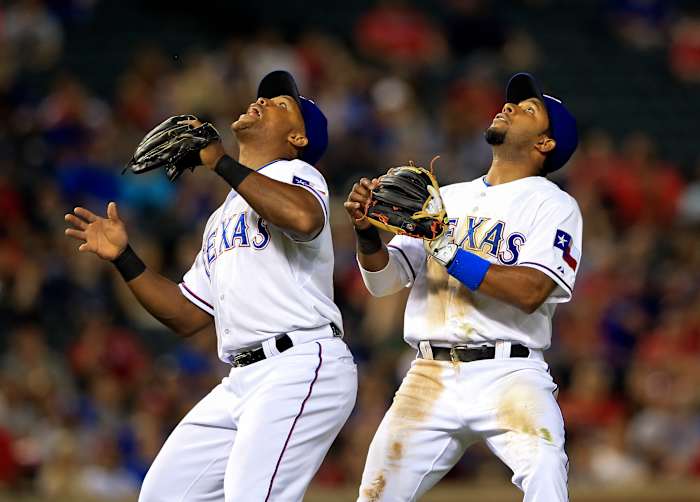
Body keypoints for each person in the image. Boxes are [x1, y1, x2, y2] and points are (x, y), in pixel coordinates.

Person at [65, 70, 357, 502]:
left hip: (300, 363)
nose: (263, 101)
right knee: (163, 495)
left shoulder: (298, 173)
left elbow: (304, 219)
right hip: (242, 379)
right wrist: (124, 258)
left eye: (281, 105)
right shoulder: (223, 216)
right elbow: (186, 314)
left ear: (298, 137)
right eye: (265, 97)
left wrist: (219, 161)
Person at [345, 73, 581, 502]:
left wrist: (449, 250)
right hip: (429, 374)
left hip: (509, 372)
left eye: (528, 110)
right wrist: (365, 232)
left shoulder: (553, 205)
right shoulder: (446, 197)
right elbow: (385, 281)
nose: (509, 106)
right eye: (512, 103)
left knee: (547, 476)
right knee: (375, 495)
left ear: (545, 144)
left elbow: (531, 292)